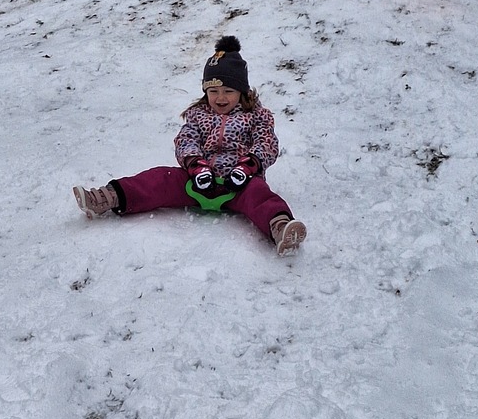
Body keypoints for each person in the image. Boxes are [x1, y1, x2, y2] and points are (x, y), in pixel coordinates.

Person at [72, 35, 306, 255]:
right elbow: (186, 140)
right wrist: (196, 165)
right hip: (198, 181)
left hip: (240, 184)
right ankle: (107, 197)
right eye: (213, 91)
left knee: (260, 196)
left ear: (242, 91)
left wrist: (248, 166)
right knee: (159, 179)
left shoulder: (255, 116)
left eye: (228, 91)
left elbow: (267, 143)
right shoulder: (199, 115)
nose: (220, 98)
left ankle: (280, 227)